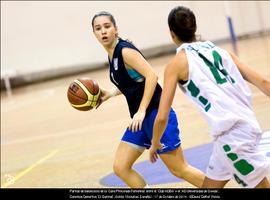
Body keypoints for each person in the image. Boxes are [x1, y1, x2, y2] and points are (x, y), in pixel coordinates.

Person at [149, 6, 270, 188]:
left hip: (234, 138)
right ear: (194, 27)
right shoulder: (222, 52)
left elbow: (162, 115)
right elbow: (263, 82)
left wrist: (155, 142)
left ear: (172, 33)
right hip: (236, 131)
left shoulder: (175, 65)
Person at [91, 11, 204, 188]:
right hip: (142, 120)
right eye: (98, 28)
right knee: (121, 167)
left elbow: (151, 76)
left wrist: (141, 111)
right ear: (94, 33)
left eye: (107, 26)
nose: (103, 31)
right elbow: (133, 81)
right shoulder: (112, 55)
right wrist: (110, 94)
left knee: (179, 170)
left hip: (156, 114)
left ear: (115, 29)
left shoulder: (125, 51)